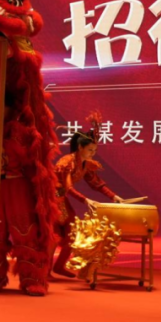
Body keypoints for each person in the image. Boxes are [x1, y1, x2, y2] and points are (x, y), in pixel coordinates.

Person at [50, 113, 124, 278]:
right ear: (80, 147)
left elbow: (96, 183)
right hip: (51, 199)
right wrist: (85, 200)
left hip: (61, 199)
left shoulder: (85, 164)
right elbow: (68, 187)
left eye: (95, 150)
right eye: (90, 150)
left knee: (71, 233)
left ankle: (58, 266)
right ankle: (45, 271)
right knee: (54, 236)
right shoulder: (67, 162)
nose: (93, 153)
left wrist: (114, 197)